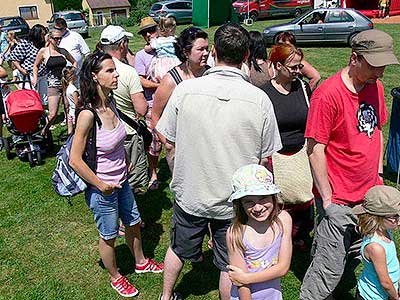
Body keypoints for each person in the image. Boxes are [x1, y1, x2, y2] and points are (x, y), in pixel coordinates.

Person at [156, 23, 282, 300]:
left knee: (178, 248)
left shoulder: (185, 91)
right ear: (247, 54)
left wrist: (178, 174)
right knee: (230, 263)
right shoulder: (259, 100)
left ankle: (165, 296)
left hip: (191, 193)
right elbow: (265, 159)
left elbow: (168, 140)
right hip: (234, 201)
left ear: (213, 52)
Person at [300, 29, 399, 300]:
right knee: (328, 265)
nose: (380, 73)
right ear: (354, 58)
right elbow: (315, 149)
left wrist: (378, 174)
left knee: (358, 252)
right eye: (374, 66)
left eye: (383, 66)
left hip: (368, 194)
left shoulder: (375, 86)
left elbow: (377, 130)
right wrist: (329, 200)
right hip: (339, 196)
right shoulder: (327, 95)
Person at [69, 52, 163, 298]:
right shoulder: (88, 114)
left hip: (122, 180)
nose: (116, 74)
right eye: (109, 71)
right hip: (102, 188)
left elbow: (117, 141)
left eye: (115, 70)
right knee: (109, 235)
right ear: (94, 76)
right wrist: (101, 184)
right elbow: (75, 160)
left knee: (133, 223)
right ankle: (115, 276)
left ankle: (140, 262)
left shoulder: (111, 104)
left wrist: (125, 163)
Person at [261, 44, 313, 252]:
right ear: (278, 65)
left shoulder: (303, 87)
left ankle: (299, 235)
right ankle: (276, 239)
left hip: (300, 155)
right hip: (275, 156)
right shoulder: (264, 93)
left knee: (302, 198)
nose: (298, 71)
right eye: (293, 67)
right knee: (277, 202)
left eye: (299, 66)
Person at [226, 164, 292, 300]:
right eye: (248, 201)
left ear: (273, 196)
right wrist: (243, 280)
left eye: (263, 198)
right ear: (240, 204)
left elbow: (283, 268)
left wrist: (246, 277)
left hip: (273, 295)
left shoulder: (284, 220)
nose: (257, 207)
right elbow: (241, 285)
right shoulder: (236, 233)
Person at [152, 26, 210, 173]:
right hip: (181, 149)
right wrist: (168, 143)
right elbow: (155, 115)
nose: (206, 53)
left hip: (208, 145)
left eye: (207, 48)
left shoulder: (212, 75)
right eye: (200, 49)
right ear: (185, 52)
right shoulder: (171, 80)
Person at [100, 25, 149, 194]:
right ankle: (128, 214)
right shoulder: (128, 72)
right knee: (131, 178)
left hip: (104, 133)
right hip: (128, 132)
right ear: (122, 45)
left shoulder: (95, 68)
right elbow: (141, 108)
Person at [353, 185, 400, 300]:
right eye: (396, 216)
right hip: (373, 296)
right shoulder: (375, 247)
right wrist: (396, 298)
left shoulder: (385, 230)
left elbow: (392, 260)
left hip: (387, 291)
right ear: (378, 218)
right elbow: (385, 283)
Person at [32, 29, 77, 137]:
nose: (58, 40)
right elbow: (35, 65)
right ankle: (44, 131)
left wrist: (72, 72)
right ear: (50, 39)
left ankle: (70, 134)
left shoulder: (63, 51)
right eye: (56, 38)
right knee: (53, 113)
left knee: (68, 109)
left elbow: (74, 61)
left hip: (65, 84)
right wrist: (35, 77)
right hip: (53, 85)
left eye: (60, 38)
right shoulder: (44, 51)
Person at [135, 16, 161, 190]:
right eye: (145, 32)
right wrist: (163, 86)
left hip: (172, 103)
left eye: (152, 30)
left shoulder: (167, 49)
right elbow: (141, 80)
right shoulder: (141, 55)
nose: (149, 34)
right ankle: (153, 173)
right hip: (152, 103)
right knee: (154, 142)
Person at [9, 24, 48, 103]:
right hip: (29, 75)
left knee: (44, 98)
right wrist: (21, 69)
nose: (44, 36)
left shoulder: (43, 45)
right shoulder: (26, 43)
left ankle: (43, 112)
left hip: (43, 74)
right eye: (42, 34)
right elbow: (14, 58)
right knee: (32, 97)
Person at [54, 18, 90, 85]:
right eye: (55, 28)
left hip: (76, 74)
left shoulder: (75, 36)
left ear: (65, 28)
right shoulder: (53, 38)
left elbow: (87, 53)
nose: (57, 31)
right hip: (59, 75)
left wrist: (85, 69)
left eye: (60, 29)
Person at [147, 17, 180, 83]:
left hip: (161, 62)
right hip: (174, 60)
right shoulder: (174, 40)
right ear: (171, 29)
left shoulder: (157, 41)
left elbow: (148, 49)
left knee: (162, 75)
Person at [61, 66, 79, 134]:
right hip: (76, 113)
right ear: (72, 76)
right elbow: (77, 103)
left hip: (71, 113)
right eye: (75, 74)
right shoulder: (74, 90)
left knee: (70, 132)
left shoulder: (67, 88)